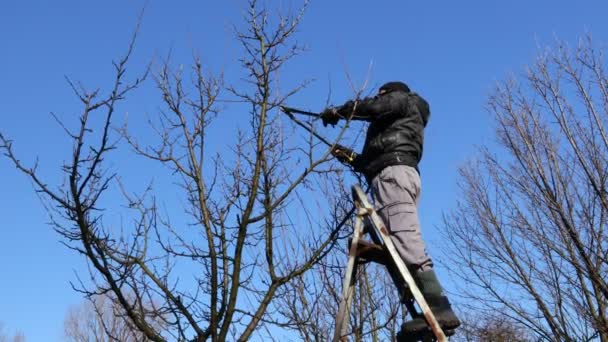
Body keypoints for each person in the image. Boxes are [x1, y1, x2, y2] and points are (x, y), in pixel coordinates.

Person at [320, 81, 461, 334]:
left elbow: (375, 108)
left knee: (406, 241)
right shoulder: (397, 125)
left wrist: (340, 111)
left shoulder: (402, 100)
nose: (376, 98)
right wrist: (351, 157)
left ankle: (440, 308)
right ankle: (430, 314)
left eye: (379, 95)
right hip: (394, 175)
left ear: (387, 93)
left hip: (391, 177)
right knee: (396, 242)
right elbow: (376, 157)